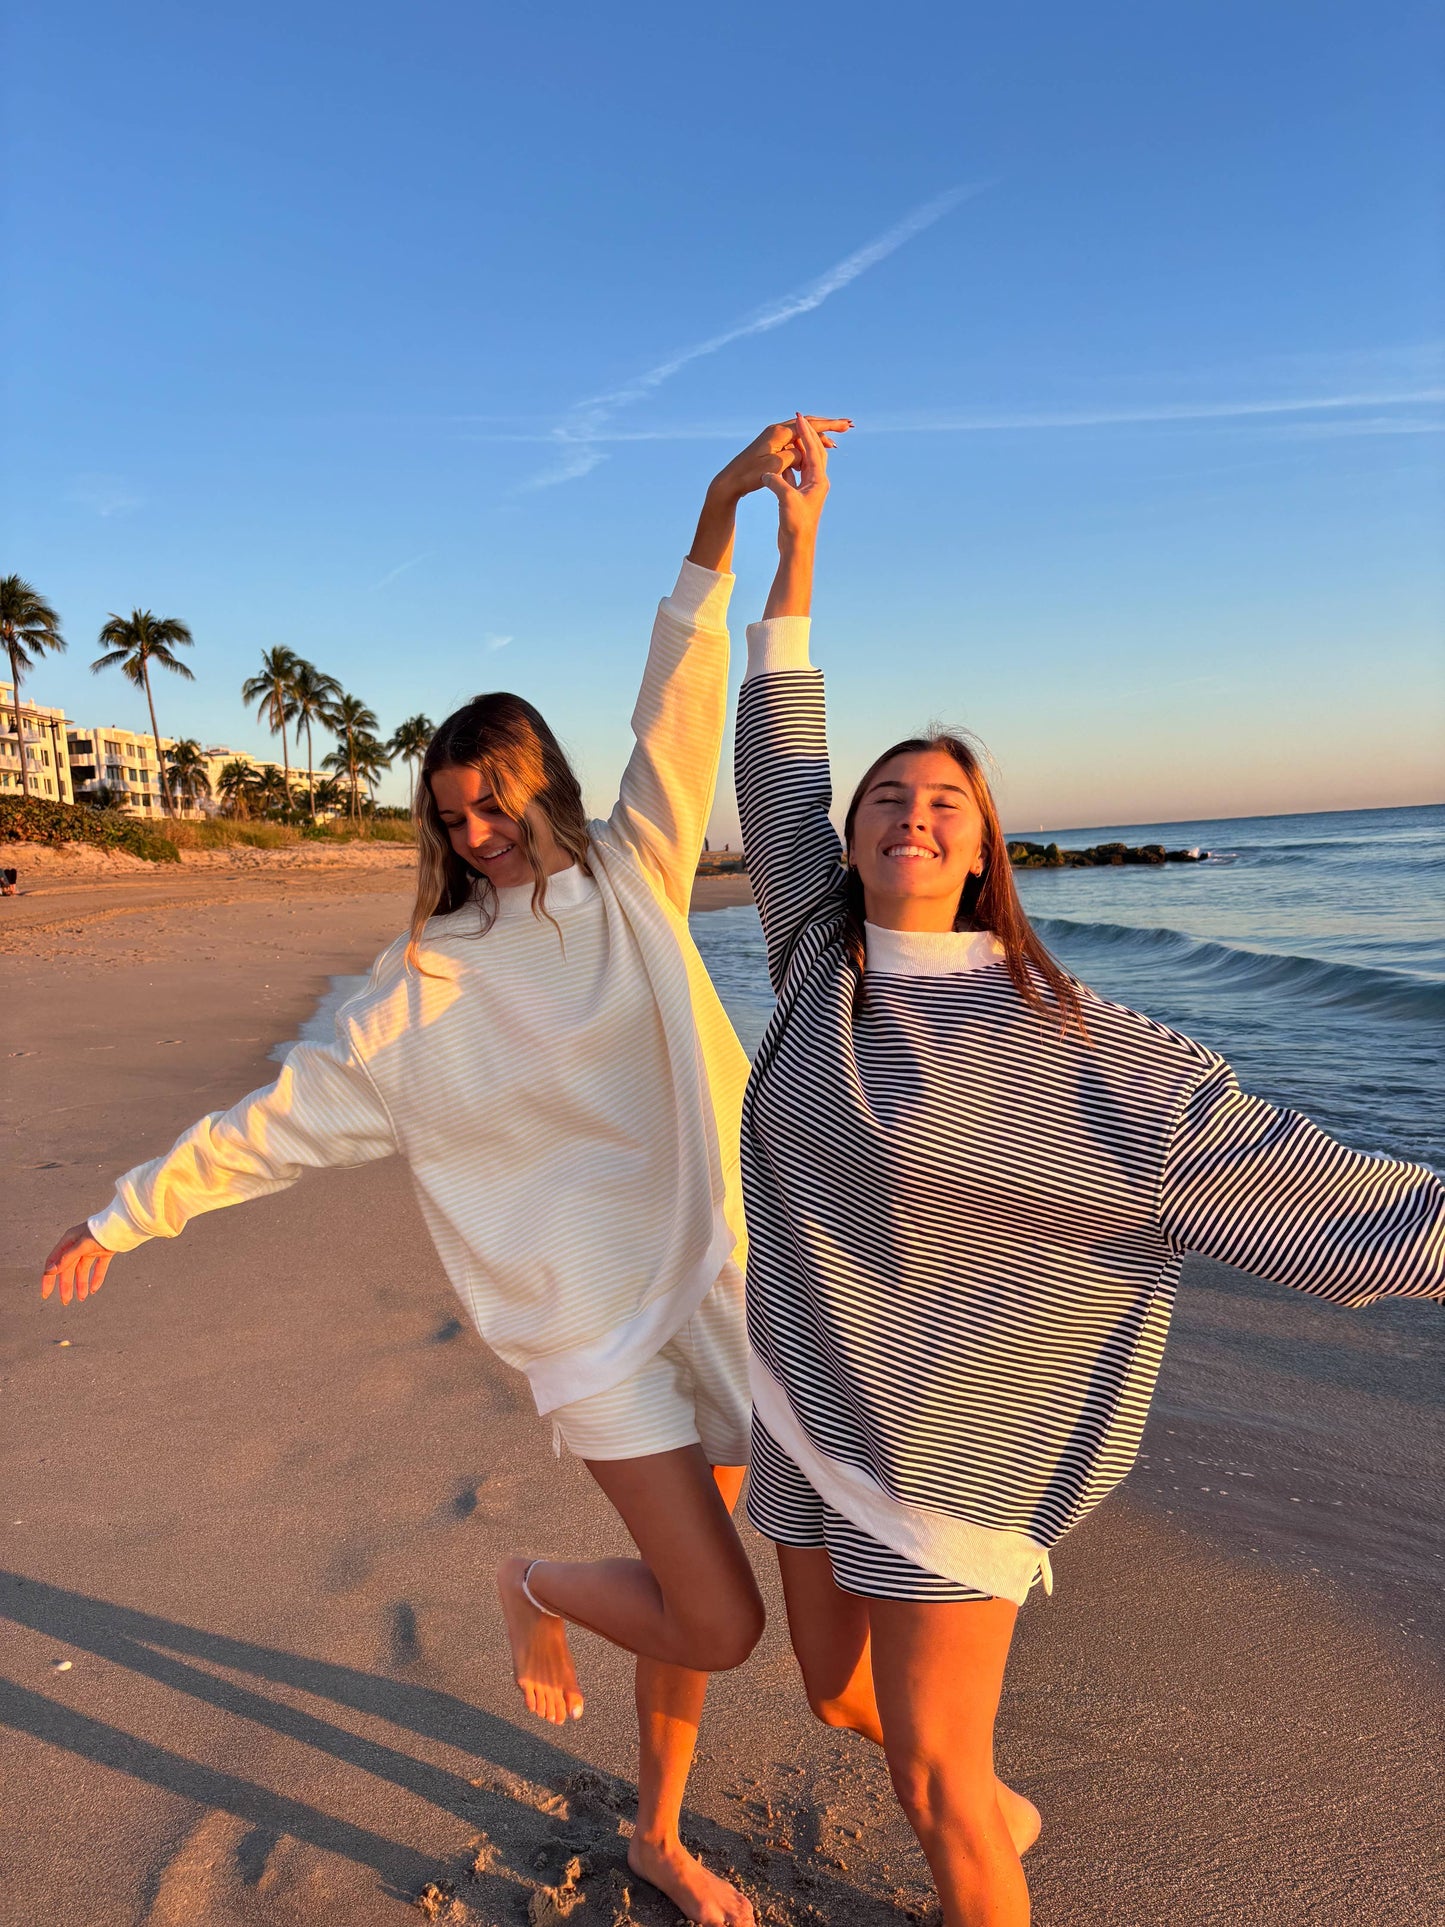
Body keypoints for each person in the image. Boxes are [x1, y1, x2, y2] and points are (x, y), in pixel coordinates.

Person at [40, 418, 848, 1927]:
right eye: (451, 817)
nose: (475, 836)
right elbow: (274, 1123)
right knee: (720, 1619)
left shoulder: (635, 874)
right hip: (594, 1331)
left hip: (726, 1277)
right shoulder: (416, 982)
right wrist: (121, 1213)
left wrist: (728, 520)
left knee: (709, 1611)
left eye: (494, 804)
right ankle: (535, 1587)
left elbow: (681, 704)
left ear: (541, 785)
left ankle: (656, 1835)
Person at [730, 415, 1445, 1927]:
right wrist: (784, 541)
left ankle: (977, 1848)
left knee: (928, 1780)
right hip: (802, 1391)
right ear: (844, 844)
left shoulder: (1083, 1048)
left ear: (985, 850)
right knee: (830, 1698)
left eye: (945, 803)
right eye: (885, 800)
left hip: (955, 1436)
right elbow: (778, 753)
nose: (909, 813)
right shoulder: (813, 962)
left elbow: (1294, 1185)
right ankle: (998, 1815)